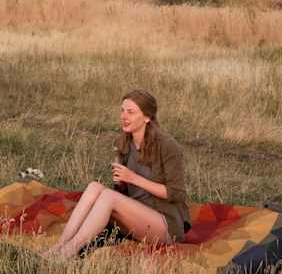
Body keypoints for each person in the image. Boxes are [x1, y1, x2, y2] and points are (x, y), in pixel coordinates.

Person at [41, 89, 189, 260]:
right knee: (94, 187)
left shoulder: (167, 146)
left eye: (131, 112)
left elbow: (176, 193)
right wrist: (121, 183)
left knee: (108, 197)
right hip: (135, 218)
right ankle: (60, 245)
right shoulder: (124, 141)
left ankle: (69, 252)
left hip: (165, 225)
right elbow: (122, 194)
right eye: (122, 110)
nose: (124, 116)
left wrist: (133, 178)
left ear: (147, 118)